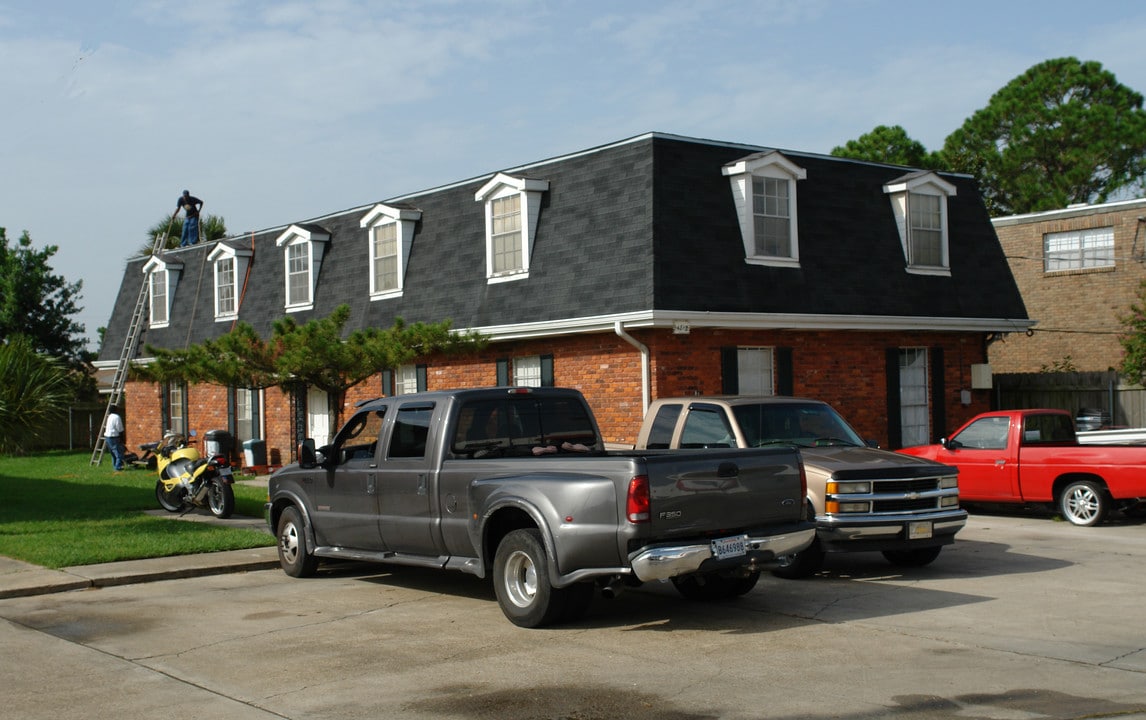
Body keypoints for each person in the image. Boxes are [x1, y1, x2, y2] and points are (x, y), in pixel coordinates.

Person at [104, 404, 126, 471]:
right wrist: (122, 439)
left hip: (107, 437)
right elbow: (120, 429)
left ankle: (114, 466)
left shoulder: (109, 417)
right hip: (114, 437)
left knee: (113, 454)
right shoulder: (117, 417)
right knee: (119, 454)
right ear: (116, 410)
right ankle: (117, 468)